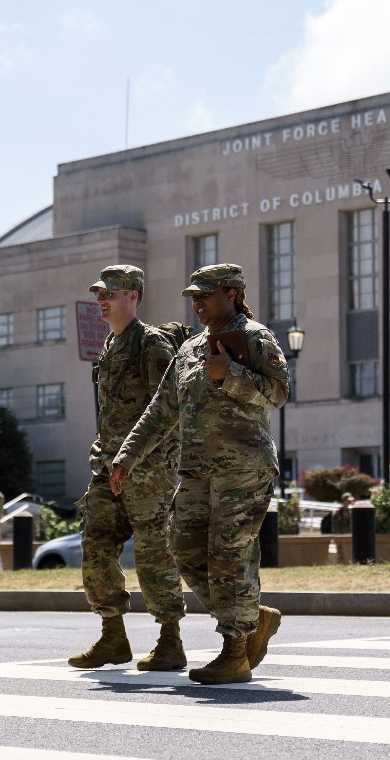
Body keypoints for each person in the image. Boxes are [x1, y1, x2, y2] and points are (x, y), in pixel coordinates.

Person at [111, 263, 290, 685]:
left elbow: (279, 393)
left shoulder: (255, 337)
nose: (197, 304)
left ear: (232, 293)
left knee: (230, 558)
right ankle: (251, 619)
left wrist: (232, 375)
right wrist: (126, 455)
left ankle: (234, 653)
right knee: (184, 549)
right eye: (193, 297)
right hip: (195, 471)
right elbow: (161, 410)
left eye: (205, 295)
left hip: (243, 469)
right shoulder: (190, 349)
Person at [69, 265, 187, 672]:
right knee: (96, 544)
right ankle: (113, 636)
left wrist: (135, 458)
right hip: (107, 467)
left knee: (154, 553)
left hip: (149, 470)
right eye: (99, 294)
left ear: (133, 295)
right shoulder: (109, 346)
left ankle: (170, 640)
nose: (101, 300)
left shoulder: (151, 345)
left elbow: (170, 410)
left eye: (110, 293)